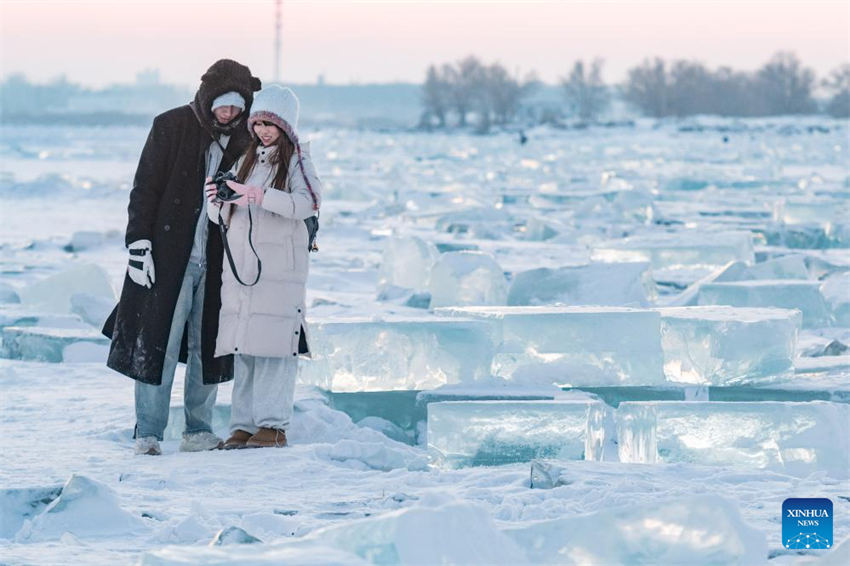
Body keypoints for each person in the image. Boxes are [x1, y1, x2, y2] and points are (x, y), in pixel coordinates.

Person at [103, 59, 262, 455]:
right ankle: (149, 433)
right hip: (168, 258)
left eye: (238, 108)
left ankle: (198, 430)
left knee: (208, 346)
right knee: (158, 342)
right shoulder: (170, 126)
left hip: (219, 261)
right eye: (224, 106)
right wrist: (138, 243)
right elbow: (145, 189)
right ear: (209, 100)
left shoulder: (247, 140)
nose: (230, 114)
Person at [204, 84, 322, 449]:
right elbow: (222, 217)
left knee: (273, 350)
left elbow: (307, 203)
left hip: (278, 271)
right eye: (258, 124)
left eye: (270, 124)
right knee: (246, 350)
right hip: (243, 272)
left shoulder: (298, 161)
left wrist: (260, 195)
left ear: (286, 126)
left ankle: (273, 425)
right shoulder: (247, 161)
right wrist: (217, 201)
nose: (263, 131)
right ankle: (243, 425)